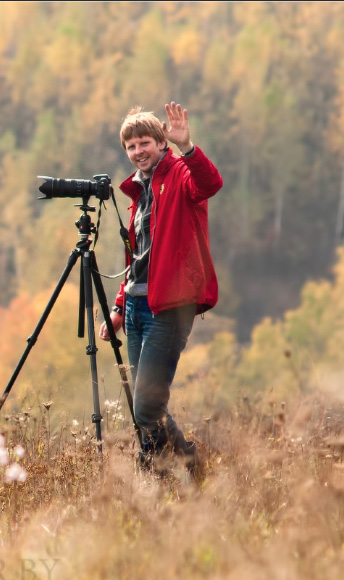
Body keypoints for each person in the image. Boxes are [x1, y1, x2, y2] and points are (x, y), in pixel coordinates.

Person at [98, 102, 223, 474]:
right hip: (137, 308)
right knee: (146, 405)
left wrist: (188, 148)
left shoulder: (180, 174)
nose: (138, 151)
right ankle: (161, 473)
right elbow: (137, 258)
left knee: (146, 407)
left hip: (169, 307)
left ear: (160, 142)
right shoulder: (139, 193)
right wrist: (120, 307)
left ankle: (189, 464)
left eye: (144, 143)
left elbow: (209, 184)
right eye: (131, 146)